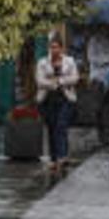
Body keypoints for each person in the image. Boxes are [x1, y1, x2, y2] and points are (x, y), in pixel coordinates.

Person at [36, 36, 79, 174]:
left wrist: (60, 81)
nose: (54, 50)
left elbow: (75, 78)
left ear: (61, 48)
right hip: (48, 98)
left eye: (56, 47)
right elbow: (39, 80)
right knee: (52, 127)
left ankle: (62, 156)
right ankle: (54, 159)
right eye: (52, 47)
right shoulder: (42, 62)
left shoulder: (69, 61)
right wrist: (51, 84)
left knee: (61, 125)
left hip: (66, 98)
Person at [87, 27, 109, 146]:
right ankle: (101, 134)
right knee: (98, 108)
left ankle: (107, 135)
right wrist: (108, 59)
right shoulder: (93, 41)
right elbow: (92, 58)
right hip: (97, 78)